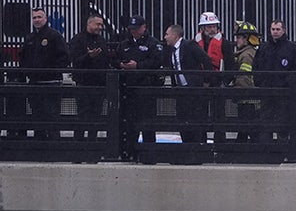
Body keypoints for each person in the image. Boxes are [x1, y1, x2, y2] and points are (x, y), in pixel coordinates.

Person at [18, 7, 70, 139]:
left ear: (46, 19)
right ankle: (39, 145)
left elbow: (64, 57)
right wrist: (26, 72)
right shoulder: (30, 37)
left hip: (51, 83)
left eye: (39, 17)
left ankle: (54, 145)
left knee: (52, 115)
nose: (36, 20)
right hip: (34, 83)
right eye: (34, 17)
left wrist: (52, 71)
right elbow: (22, 57)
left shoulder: (54, 36)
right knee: (37, 115)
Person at [115, 15, 164, 152]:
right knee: (129, 123)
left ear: (144, 27)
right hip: (128, 89)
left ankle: (149, 152)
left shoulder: (153, 43)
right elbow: (116, 59)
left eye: (136, 29)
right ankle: (129, 151)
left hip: (147, 88)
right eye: (131, 29)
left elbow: (157, 61)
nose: (133, 32)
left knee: (148, 122)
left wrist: (138, 66)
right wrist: (121, 64)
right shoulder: (125, 44)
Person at [252, 19, 296, 141]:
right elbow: (256, 66)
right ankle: (266, 149)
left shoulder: (291, 48)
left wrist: (289, 85)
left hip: (284, 93)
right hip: (267, 91)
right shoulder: (264, 48)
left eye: (278, 29)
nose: (275, 32)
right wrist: (260, 82)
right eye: (273, 29)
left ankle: (283, 146)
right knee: (266, 120)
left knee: (283, 121)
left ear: (284, 30)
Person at [163, 23, 213, 144]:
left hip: (193, 89)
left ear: (175, 35)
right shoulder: (169, 50)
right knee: (182, 118)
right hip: (180, 90)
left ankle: (199, 146)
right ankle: (186, 145)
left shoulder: (189, 45)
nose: (165, 37)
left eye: (167, 34)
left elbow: (206, 60)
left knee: (196, 119)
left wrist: (205, 80)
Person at [67, 13, 112, 140]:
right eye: (98, 24)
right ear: (89, 24)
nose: (100, 27)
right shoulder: (78, 40)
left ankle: (93, 143)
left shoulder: (101, 40)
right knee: (82, 115)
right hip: (84, 83)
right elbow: (75, 60)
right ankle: (79, 144)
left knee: (96, 116)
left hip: (99, 84)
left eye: (101, 25)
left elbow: (106, 60)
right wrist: (89, 57)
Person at [231, 21, 260, 142]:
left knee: (247, 127)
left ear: (247, 39)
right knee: (247, 128)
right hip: (250, 99)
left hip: (247, 99)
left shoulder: (246, 55)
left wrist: (235, 89)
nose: (237, 40)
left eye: (239, 37)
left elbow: (244, 78)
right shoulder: (247, 53)